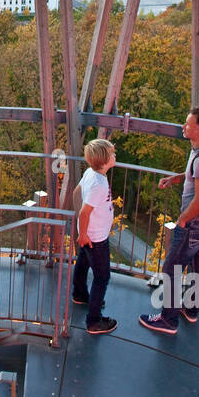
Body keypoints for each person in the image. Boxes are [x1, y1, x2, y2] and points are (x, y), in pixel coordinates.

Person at [140, 108, 199, 335]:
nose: (183, 127)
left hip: (194, 223)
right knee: (198, 265)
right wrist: (176, 179)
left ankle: (168, 320)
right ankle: (191, 310)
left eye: (188, 124)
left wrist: (182, 220)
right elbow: (196, 178)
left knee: (172, 268)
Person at [70, 138, 118, 335]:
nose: (115, 156)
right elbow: (84, 212)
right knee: (102, 277)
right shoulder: (99, 183)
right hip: (96, 237)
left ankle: (80, 294)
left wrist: (82, 233)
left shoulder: (91, 173)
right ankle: (94, 321)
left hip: (90, 234)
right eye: (112, 153)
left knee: (82, 263)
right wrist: (83, 233)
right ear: (105, 159)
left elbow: (76, 193)